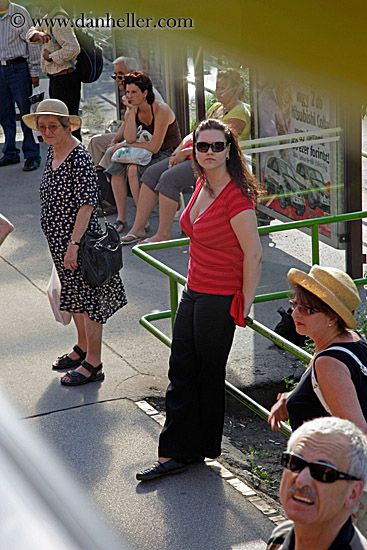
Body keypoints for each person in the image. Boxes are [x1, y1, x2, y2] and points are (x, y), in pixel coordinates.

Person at [136, 119, 262, 481]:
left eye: (216, 146)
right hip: (195, 289)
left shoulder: (236, 198)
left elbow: (253, 254)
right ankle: (195, 449)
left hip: (219, 297)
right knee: (185, 369)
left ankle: (179, 453)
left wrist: (245, 304)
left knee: (202, 373)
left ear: (229, 150)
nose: (209, 152)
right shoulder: (202, 183)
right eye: (202, 146)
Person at [22, 99, 127, 386]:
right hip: (60, 240)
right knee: (74, 296)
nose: (47, 131)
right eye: (42, 127)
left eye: (53, 126)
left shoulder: (78, 156)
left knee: (89, 299)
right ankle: (82, 348)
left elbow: (86, 205)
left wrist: (73, 244)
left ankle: (94, 363)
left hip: (79, 242)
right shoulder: (53, 151)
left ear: (68, 126)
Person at [121, 68, 251, 245]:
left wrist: (185, 152)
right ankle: (138, 228)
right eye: (217, 87)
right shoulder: (217, 108)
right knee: (151, 173)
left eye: (223, 88)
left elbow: (219, 145)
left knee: (168, 178)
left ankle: (163, 233)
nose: (217, 92)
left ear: (236, 89)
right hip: (197, 155)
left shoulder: (239, 113)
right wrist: (180, 147)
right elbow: (197, 132)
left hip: (216, 161)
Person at [267, 416, 367, 549]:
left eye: (323, 472)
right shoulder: (280, 536)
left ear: (353, 493)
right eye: (295, 463)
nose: (301, 481)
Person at [105, 71, 181, 236]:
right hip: (143, 152)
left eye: (134, 92)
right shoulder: (132, 110)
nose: (129, 96)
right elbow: (131, 138)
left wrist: (125, 144)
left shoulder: (161, 109)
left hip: (167, 153)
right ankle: (122, 217)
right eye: (127, 92)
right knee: (115, 168)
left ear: (145, 93)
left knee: (133, 169)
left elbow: (155, 147)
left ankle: (141, 220)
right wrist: (131, 113)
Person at [88, 56, 164, 172]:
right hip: (135, 135)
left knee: (111, 150)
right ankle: (96, 178)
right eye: (115, 76)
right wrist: (114, 140)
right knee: (96, 141)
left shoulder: (142, 94)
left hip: (146, 139)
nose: (117, 80)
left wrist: (118, 143)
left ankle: (104, 178)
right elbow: (127, 122)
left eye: (120, 75)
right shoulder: (129, 94)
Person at [26, 2, 82, 141]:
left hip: (66, 80)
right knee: (59, 122)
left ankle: (76, 157)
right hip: (57, 79)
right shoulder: (48, 18)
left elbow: (73, 48)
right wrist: (38, 34)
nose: (39, 5)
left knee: (67, 123)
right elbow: (30, 33)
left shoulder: (59, 20)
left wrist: (50, 57)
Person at [0, 0, 41, 171]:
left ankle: (32, 155)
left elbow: (31, 42)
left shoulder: (19, 13)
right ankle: (10, 152)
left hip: (18, 68)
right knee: (4, 113)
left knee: (26, 113)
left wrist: (34, 72)